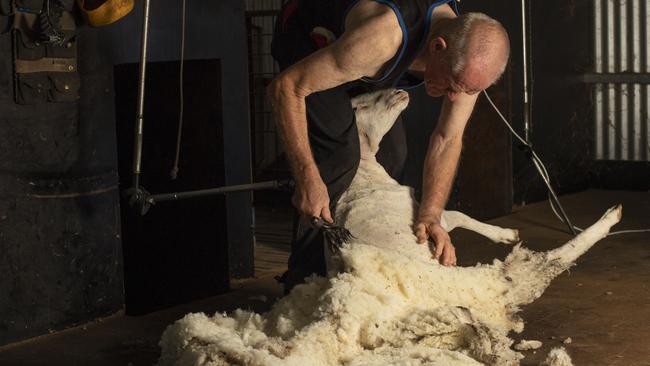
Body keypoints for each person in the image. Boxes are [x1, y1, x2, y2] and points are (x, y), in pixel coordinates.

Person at [268, 0, 510, 291]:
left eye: (465, 91)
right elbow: (286, 87)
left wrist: (431, 216)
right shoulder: (381, 39)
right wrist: (307, 177)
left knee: (393, 155)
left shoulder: (466, 64)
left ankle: (364, 270)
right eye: (450, 86)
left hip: (355, 60)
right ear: (437, 47)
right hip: (309, 43)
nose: (453, 96)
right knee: (338, 158)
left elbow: (448, 138)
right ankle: (302, 285)